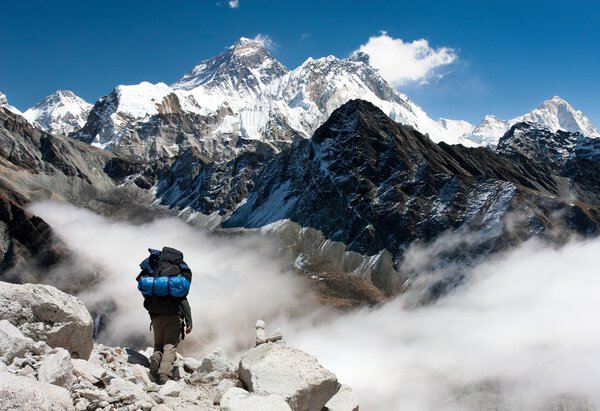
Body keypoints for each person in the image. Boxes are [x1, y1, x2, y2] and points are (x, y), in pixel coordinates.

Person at [136, 246, 193, 385]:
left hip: (156, 316)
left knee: (158, 345)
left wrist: (152, 312)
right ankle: (164, 375)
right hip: (173, 316)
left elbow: (147, 297)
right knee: (170, 346)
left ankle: (155, 362)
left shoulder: (155, 271)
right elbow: (183, 300)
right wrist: (189, 320)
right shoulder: (176, 273)